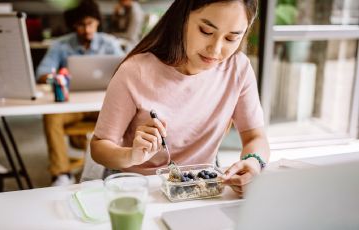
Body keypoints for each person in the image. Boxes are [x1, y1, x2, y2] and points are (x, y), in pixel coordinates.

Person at [90, 0, 270, 197]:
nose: (216, 49)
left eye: (231, 38)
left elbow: (255, 137)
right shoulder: (134, 71)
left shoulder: (238, 69)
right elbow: (99, 147)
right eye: (206, 31)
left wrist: (253, 162)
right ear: (182, 18)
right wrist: (131, 155)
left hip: (202, 187)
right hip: (138, 189)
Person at [36, 0, 124, 186]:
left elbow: (128, 70)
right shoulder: (60, 45)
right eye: (81, 25)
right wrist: (56, 77)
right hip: (72, 106)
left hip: (103, 107)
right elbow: (41, 74)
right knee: (51, 117)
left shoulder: (109, 44)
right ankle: (61, 174)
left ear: (98, 22)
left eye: (90, 23)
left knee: (125, 114)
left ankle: (114, 168)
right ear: (73, 25)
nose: (87, 29)